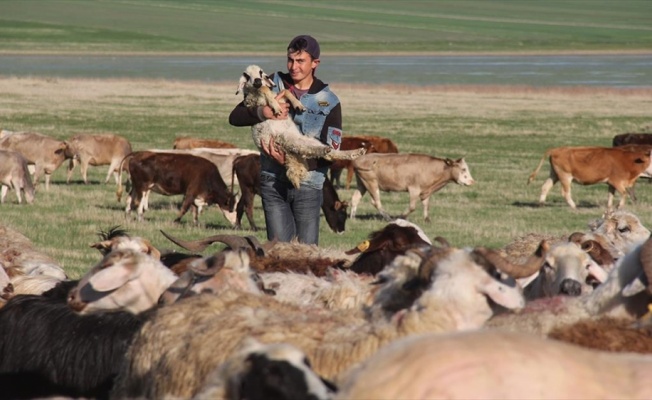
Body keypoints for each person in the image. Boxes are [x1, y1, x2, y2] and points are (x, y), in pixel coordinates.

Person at [229, 35, 342, 245]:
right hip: (272, 183)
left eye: (300, 61)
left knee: (306, 255)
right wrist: (263, 112)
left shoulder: (329, 101)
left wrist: (292, 163)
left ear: (315, 63)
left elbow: (331, 152)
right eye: (290, 60)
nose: (293, 66)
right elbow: (234, 117)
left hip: (308, 186)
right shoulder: (270, 82)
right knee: (278, 251)